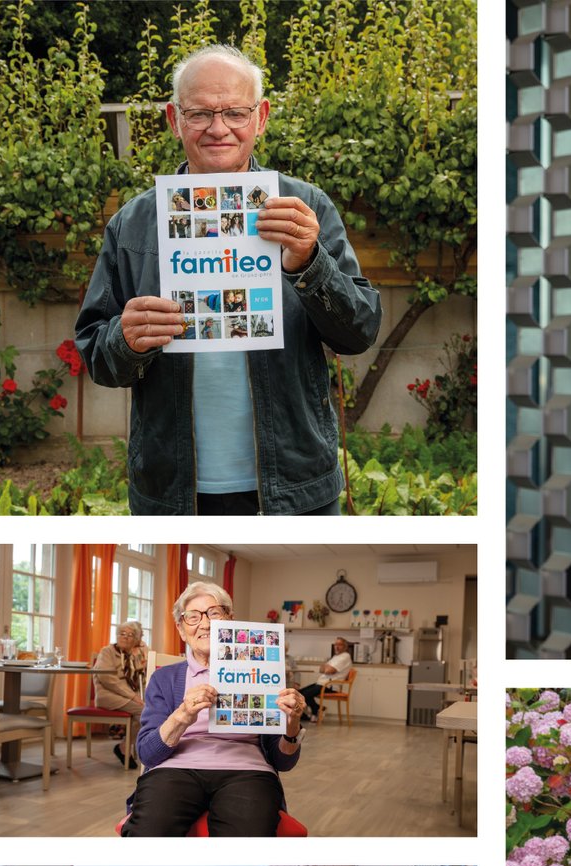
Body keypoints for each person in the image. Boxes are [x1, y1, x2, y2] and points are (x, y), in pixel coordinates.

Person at [74, 45, 382, 515]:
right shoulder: (132, 224)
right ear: (174, 120)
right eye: (199, 113)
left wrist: (308, 263)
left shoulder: (305, 208)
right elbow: (97, 355)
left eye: (234, 112)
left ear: (260, 117)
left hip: (296, 490)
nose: (218, 129)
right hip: (173, 494)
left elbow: (359, 332)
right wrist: (126, 339)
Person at [125, 582, 305, 836]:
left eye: (214, 613)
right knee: (149, 833)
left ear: (230, 619)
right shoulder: (164, 678)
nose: (205, 624)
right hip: (175, 770)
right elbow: (147, 754)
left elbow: (283, 761)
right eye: (193, 617)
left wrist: (292, 725)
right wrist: (183, 715)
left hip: (247, 772)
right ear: (181, 628)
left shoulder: (263, 672)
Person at [90, 621, 150, 761]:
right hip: (108, 695)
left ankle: (126, 747)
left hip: (127, 697)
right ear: (116, 636)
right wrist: (133, 696)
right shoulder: (107, 652)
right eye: (122, 634)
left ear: (135, 639)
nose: (125, 637)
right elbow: (108, 680)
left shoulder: (134, 654)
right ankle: (132, 748)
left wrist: (142, 650)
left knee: (149, 711)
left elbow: (144, 672)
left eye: (130, 635)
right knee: (145, 711)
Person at [297, 637, 352, 722]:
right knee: (299, 693)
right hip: (322, 683)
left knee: (305, 695)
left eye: (339, 645)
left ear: (345, 646)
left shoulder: (345, 656)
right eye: (335, 644)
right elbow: (321, 669)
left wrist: (327, 668)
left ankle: (315, 711)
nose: (337, 646)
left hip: (330, 686)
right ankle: (316, 710)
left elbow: (328, 670)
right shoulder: (336, 656)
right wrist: (326, 668)